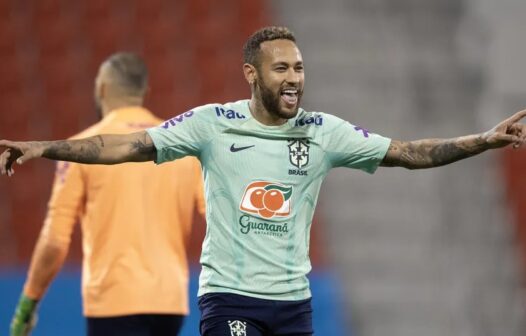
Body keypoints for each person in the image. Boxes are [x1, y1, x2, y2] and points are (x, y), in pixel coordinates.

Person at [1, 27, 525, 336]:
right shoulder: (211, 123)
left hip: (294, 303)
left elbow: (409, 153)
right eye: (280, 69)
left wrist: (484, 138)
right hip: (229, 298)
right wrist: (43, 147)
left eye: (298, 67)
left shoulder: (324, 133)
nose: (294, 77)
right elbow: (120, 146)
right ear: (252, 74)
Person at [8, 52, 205, 336]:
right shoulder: (181, 150)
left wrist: (28, 303)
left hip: (113, 302)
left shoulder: (78, 150)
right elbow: (216, 215)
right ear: (144, 92)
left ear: (101, 89)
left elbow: (55, 239)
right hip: (170, 303)